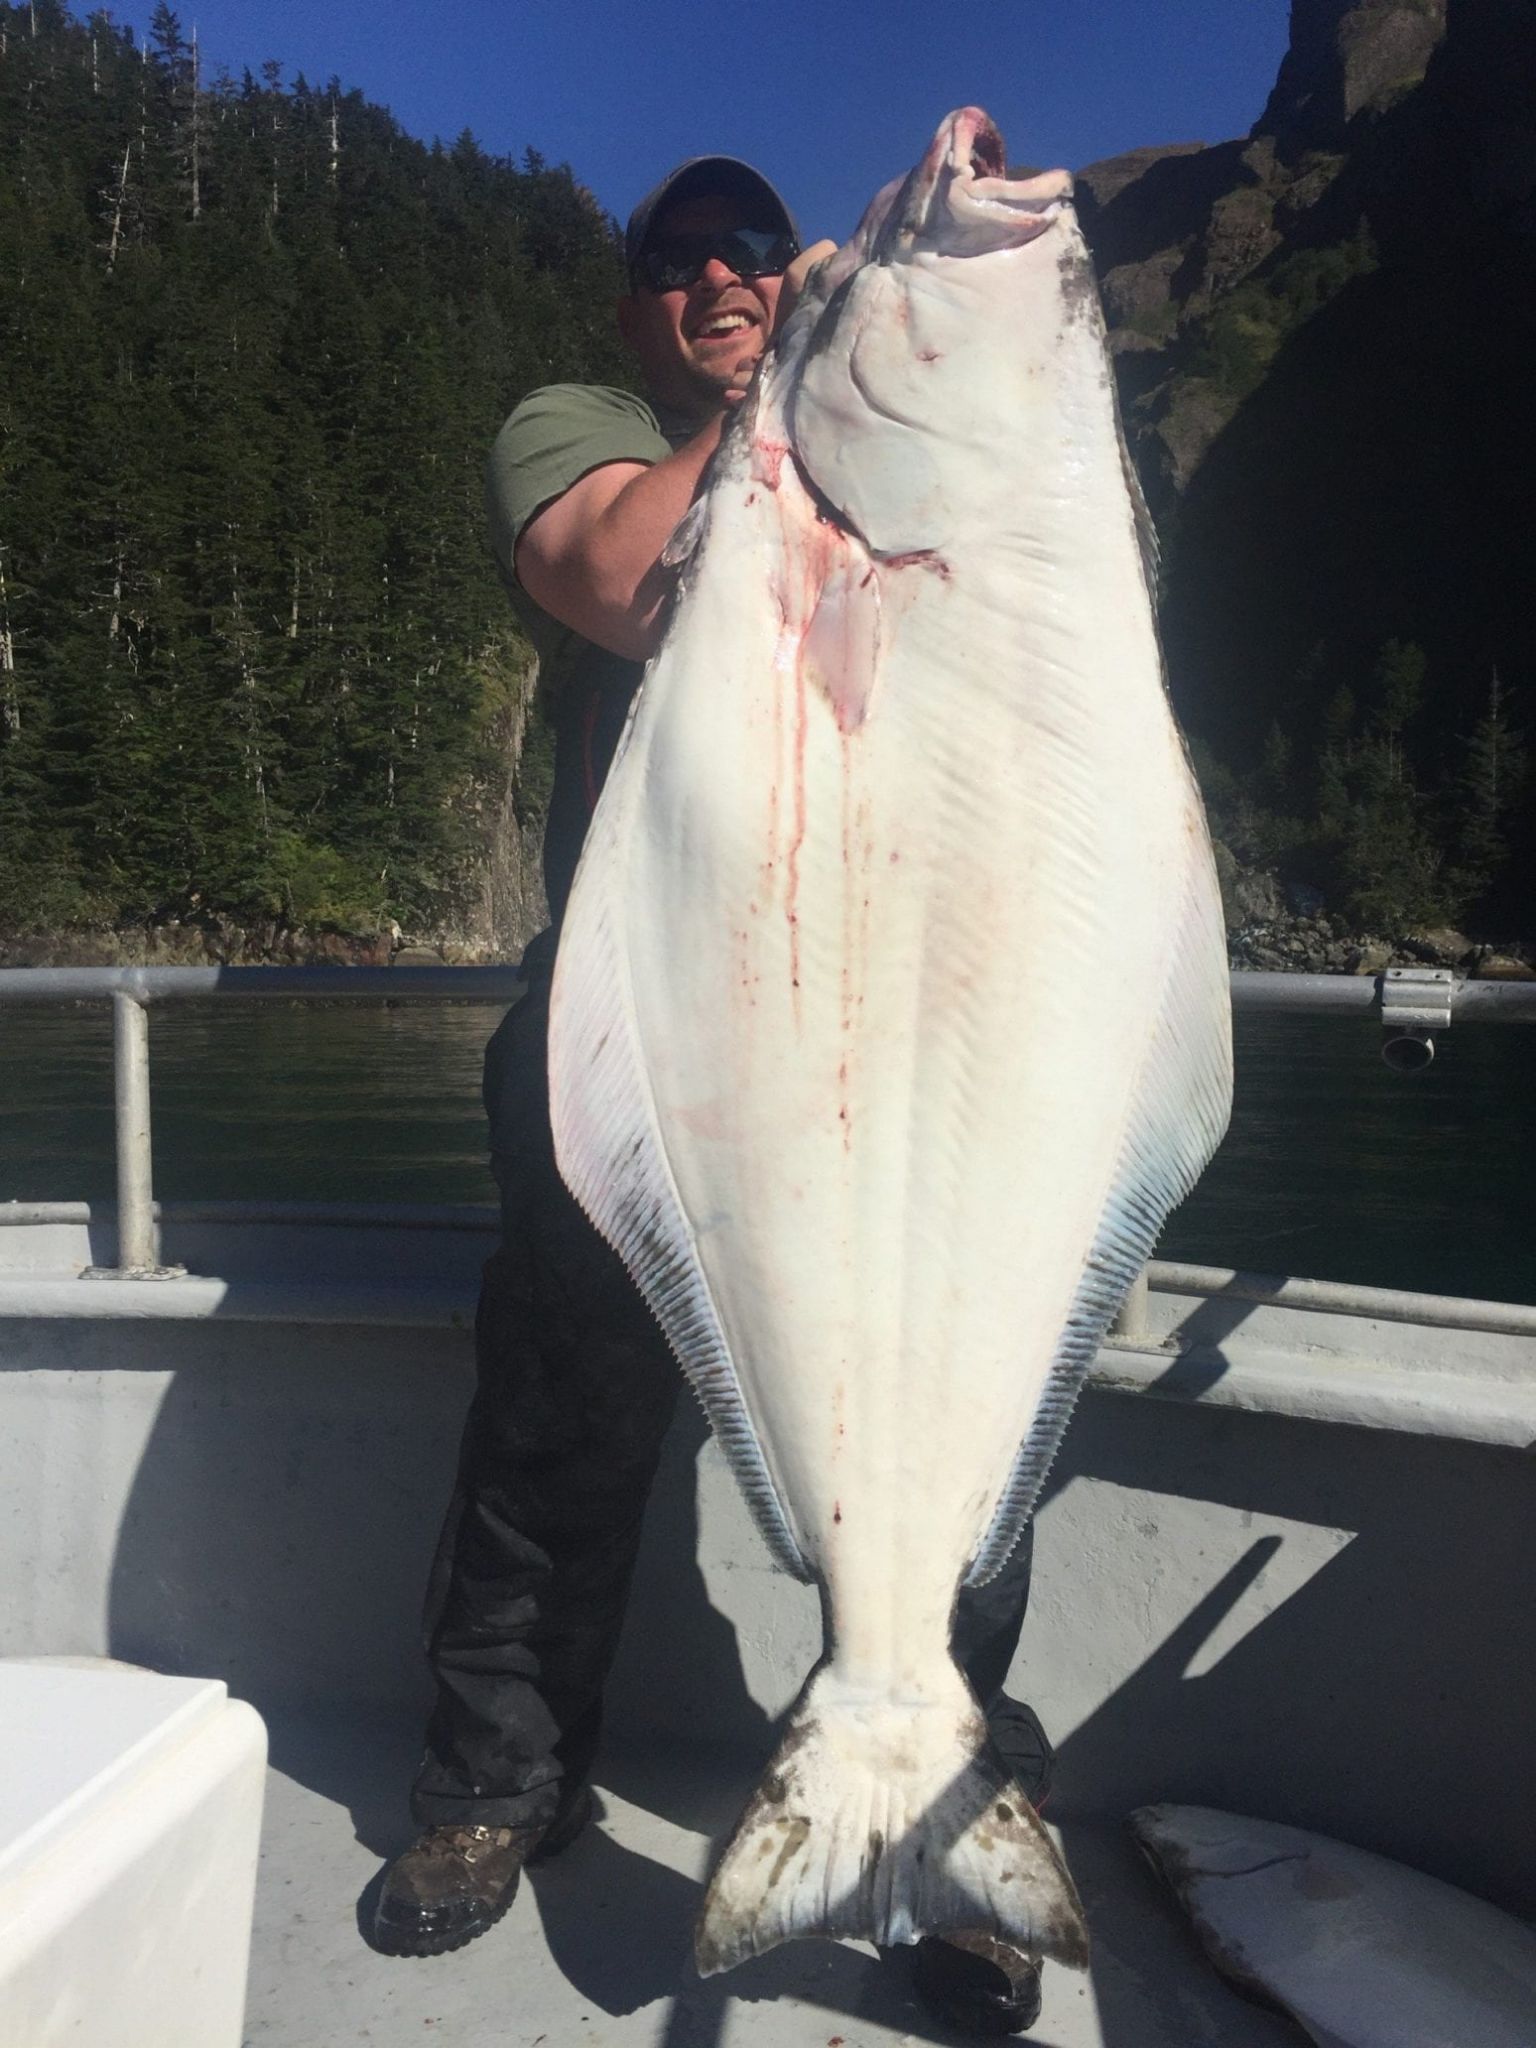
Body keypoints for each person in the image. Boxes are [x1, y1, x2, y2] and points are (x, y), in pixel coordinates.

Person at [373, 153, 1053, 2037]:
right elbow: (611, 581)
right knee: (559, 1425)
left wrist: (899, 364)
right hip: (634, 1050)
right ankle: (493, 1790)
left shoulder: (861, 448)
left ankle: (949, 1801)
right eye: (680, 263)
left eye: (754, 255)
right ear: (638, 306)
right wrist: (791, 389)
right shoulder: (583, 427)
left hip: (887, 1041)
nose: (722, 280)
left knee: (958, 1435)